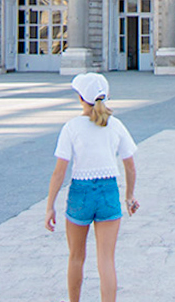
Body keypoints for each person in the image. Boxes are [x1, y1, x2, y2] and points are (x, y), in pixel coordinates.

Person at [45, 73, 138, 302]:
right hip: (108, 192)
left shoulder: (71, 127)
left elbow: (59, 172)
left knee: (76, 257)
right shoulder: (115, 125)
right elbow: (130, 166)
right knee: (106, 260)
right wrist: (129, 197)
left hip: (80, 194)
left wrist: (50, 206)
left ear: (80, 98)